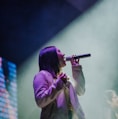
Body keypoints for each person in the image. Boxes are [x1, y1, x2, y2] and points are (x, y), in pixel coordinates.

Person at [33, 46, 86, 119]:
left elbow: (81, 91)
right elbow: (40, 101)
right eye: (59, 51)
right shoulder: (42, 75)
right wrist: (59, 84)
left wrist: (76, 68)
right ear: (51, 57)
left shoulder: (66, 79)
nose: (63, 54)